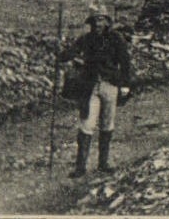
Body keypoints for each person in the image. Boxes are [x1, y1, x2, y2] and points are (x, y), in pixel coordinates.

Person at [57, 9, 133, 177]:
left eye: (102, 20)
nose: (98, 24)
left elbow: (125, 62)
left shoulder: (116, 39)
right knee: (86, 125)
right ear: (91, 23)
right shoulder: (86, 39)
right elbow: (69, 54)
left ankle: (103, 163)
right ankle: (80, 167)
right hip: (90, 86)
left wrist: (125, 85)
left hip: (110, 86)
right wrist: (61, 51)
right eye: (95, 21)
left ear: (107, 22)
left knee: (107, 124)